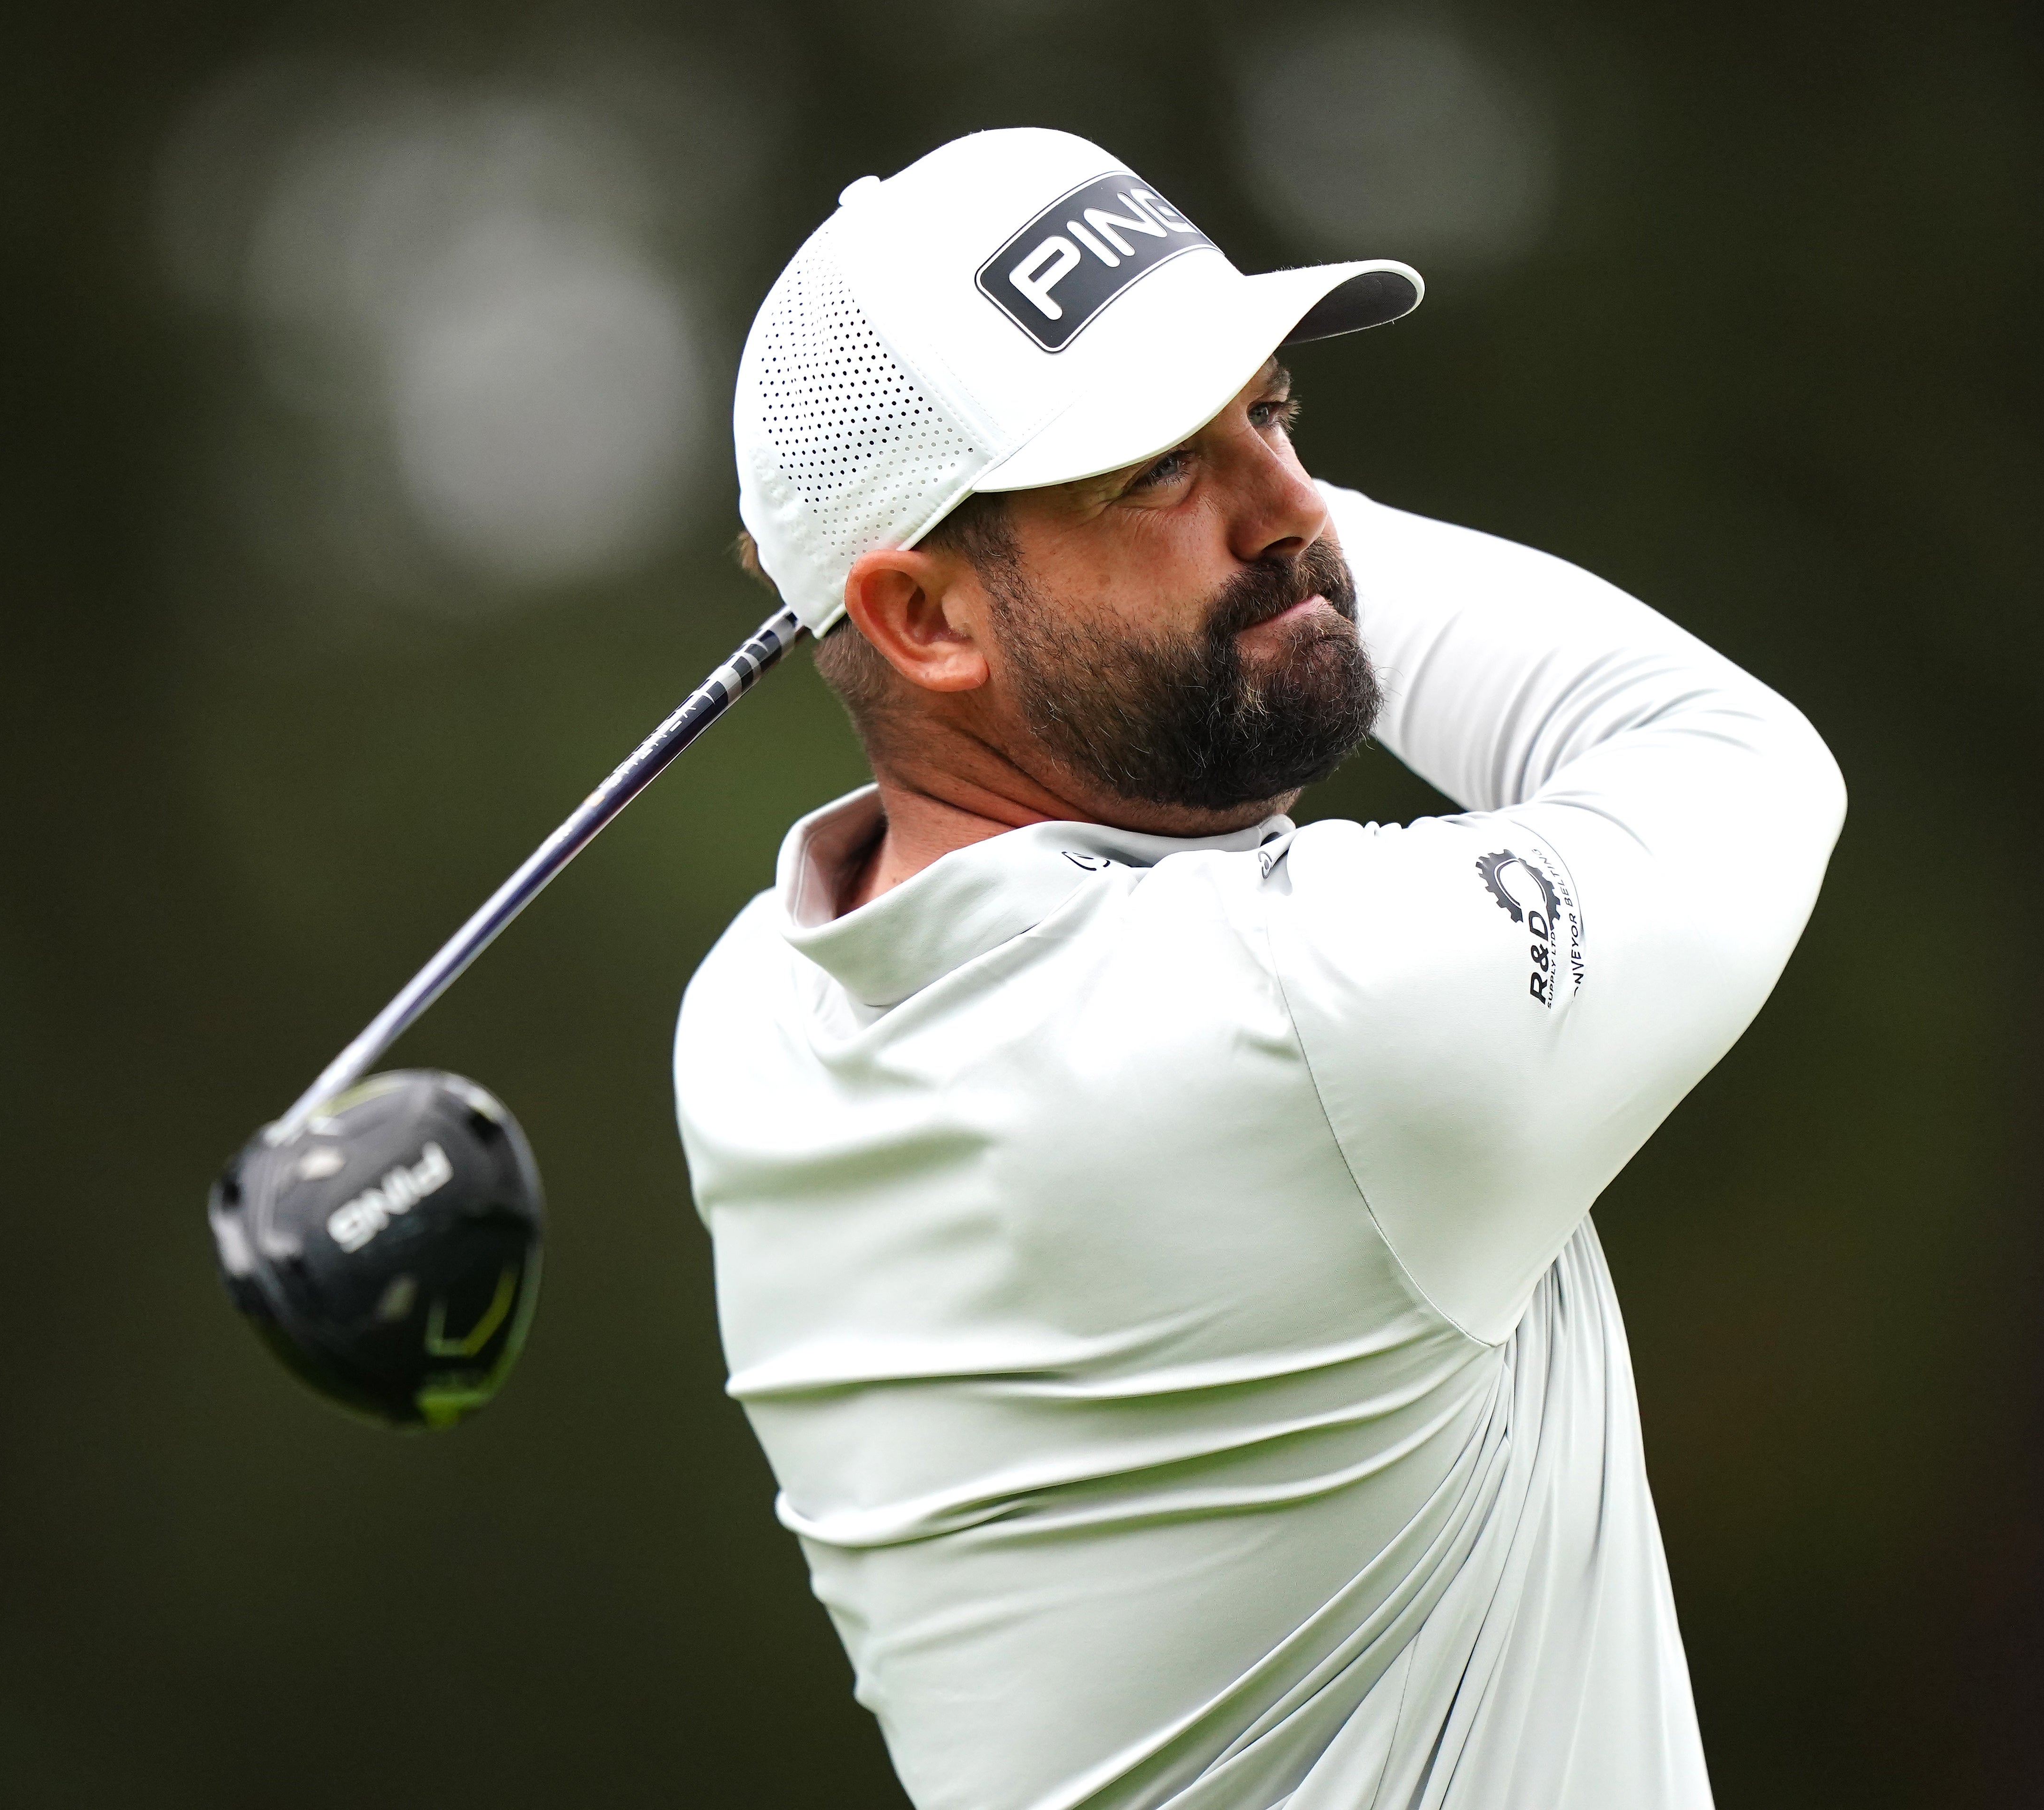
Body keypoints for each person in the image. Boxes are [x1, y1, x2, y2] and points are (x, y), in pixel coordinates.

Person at [674, 127, 1843, 1810]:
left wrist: (1200, 486)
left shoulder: (758, 1014)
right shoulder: (1312, 1022)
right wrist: (1303, 537)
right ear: (922, 621)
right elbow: (1728, 758)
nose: (1295, 504)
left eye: (1273, 411)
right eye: (1154, 467)